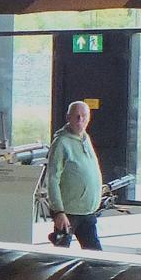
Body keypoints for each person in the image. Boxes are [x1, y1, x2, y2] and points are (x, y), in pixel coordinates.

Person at [46, 99, 104, 251]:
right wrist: (58, 211)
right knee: (60, 255)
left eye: (84, 116)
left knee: (96, 256)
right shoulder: (61, 143)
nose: (80, 120)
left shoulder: (85, 138)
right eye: (76, 116)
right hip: (68, 214)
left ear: (89, 118)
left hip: (87, 212)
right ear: (68, 118)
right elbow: (52, 179)